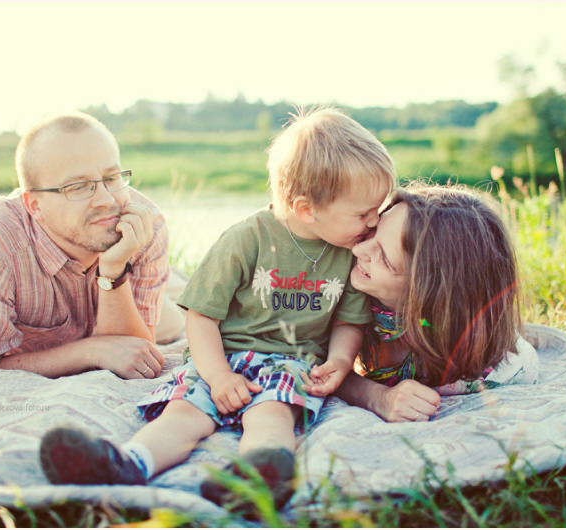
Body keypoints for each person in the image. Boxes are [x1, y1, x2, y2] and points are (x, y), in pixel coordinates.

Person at [38, 107, 396, 510]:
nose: (372, 224)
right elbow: (202, 315)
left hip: (290, 362)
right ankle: (124, 462)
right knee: (184, 414)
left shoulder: (349, 253)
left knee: (273, 414)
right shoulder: (247, 240)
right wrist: (220, 376)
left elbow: (349, 321)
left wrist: (340, 359)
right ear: (307, 209)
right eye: (363, 214)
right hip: (219, 358)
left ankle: (253, 481)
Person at [0, 112, 185, 378]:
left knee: (182, 318)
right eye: (79, 186)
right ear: (35, 206)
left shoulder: (144, 224)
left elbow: (134, 353)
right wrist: (90, 351)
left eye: (112, 177)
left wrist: (114, 269)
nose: (106, 200)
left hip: (131, 299)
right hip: (78, 318)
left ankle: (176, 283)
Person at [307, 183, 539, 422]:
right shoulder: (334, 289)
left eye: (385, 259)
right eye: (373, 231)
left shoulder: (507, 368)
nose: (358, 249)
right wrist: (377, 396)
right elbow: (305, 361)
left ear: (429, 293)